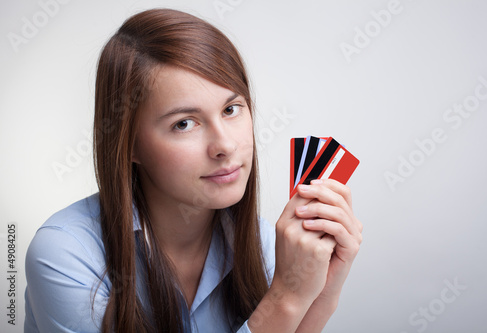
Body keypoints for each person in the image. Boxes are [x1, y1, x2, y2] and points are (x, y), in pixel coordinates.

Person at [24, 8, 362, 333]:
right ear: (129, 144)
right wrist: (286, 298)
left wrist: (323, 293)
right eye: (184, 123)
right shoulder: (66, 253)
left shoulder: (266, 245)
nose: (225, 146)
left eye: (231, 109)